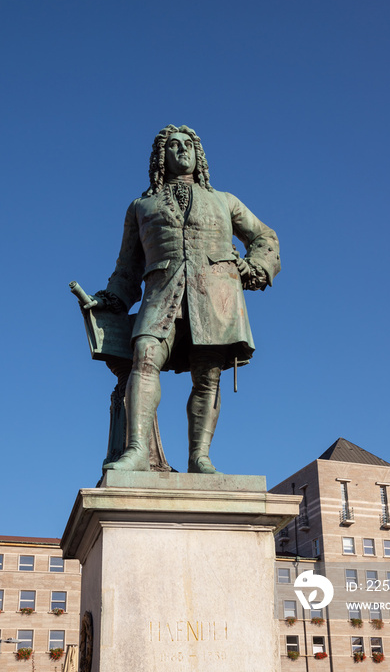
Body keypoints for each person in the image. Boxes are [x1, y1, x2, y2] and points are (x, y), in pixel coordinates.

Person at [86, 124, 280, 473]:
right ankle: (136, 450)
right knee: (144, 355)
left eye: (188, 145)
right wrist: (110, 299)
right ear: (161, 156)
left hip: (215, 296)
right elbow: (127, 268)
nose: (181, 151)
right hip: (162, 294)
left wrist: (253, 268)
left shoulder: (225, 201)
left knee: (208, 376)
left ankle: (199, 457)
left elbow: (266, 237)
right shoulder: (141, 207)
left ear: (198, 154)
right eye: (173, 145)